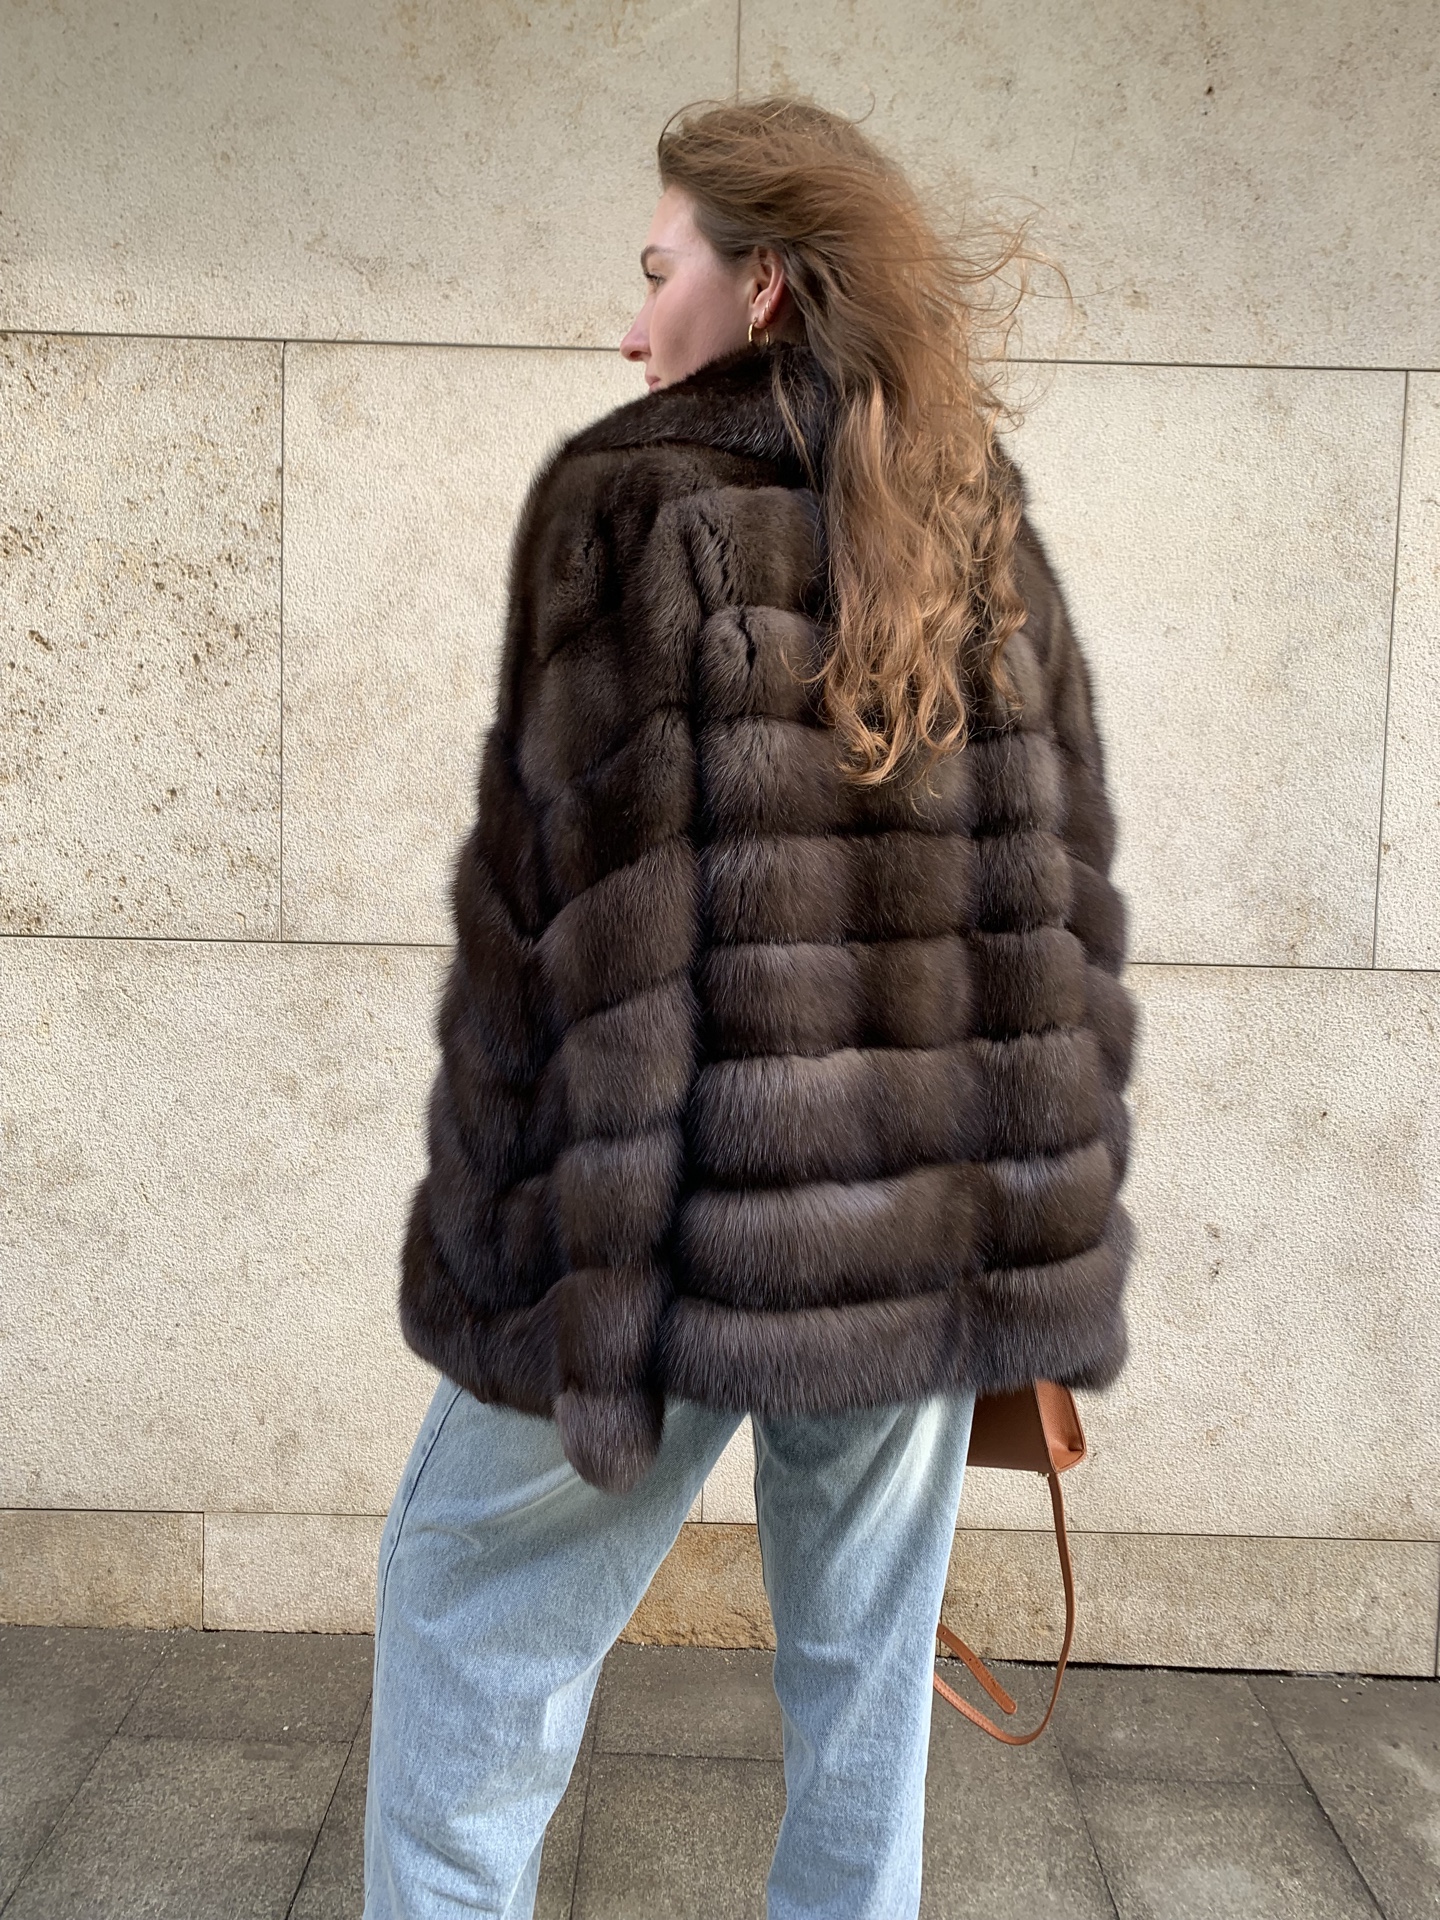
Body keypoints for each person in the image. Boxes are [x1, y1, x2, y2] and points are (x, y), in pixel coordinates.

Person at [363, 95, 1134, 1920]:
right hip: (918, 1244)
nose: (632, 327)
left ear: (765, 282)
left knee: (471, 1619)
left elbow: (587, 931)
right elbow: (1054, 907)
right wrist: (1013, 1233)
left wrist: (570, 1286)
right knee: (865, 1689)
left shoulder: (635, 501)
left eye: (661, 273)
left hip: (683, 1232)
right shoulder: (972, 512)